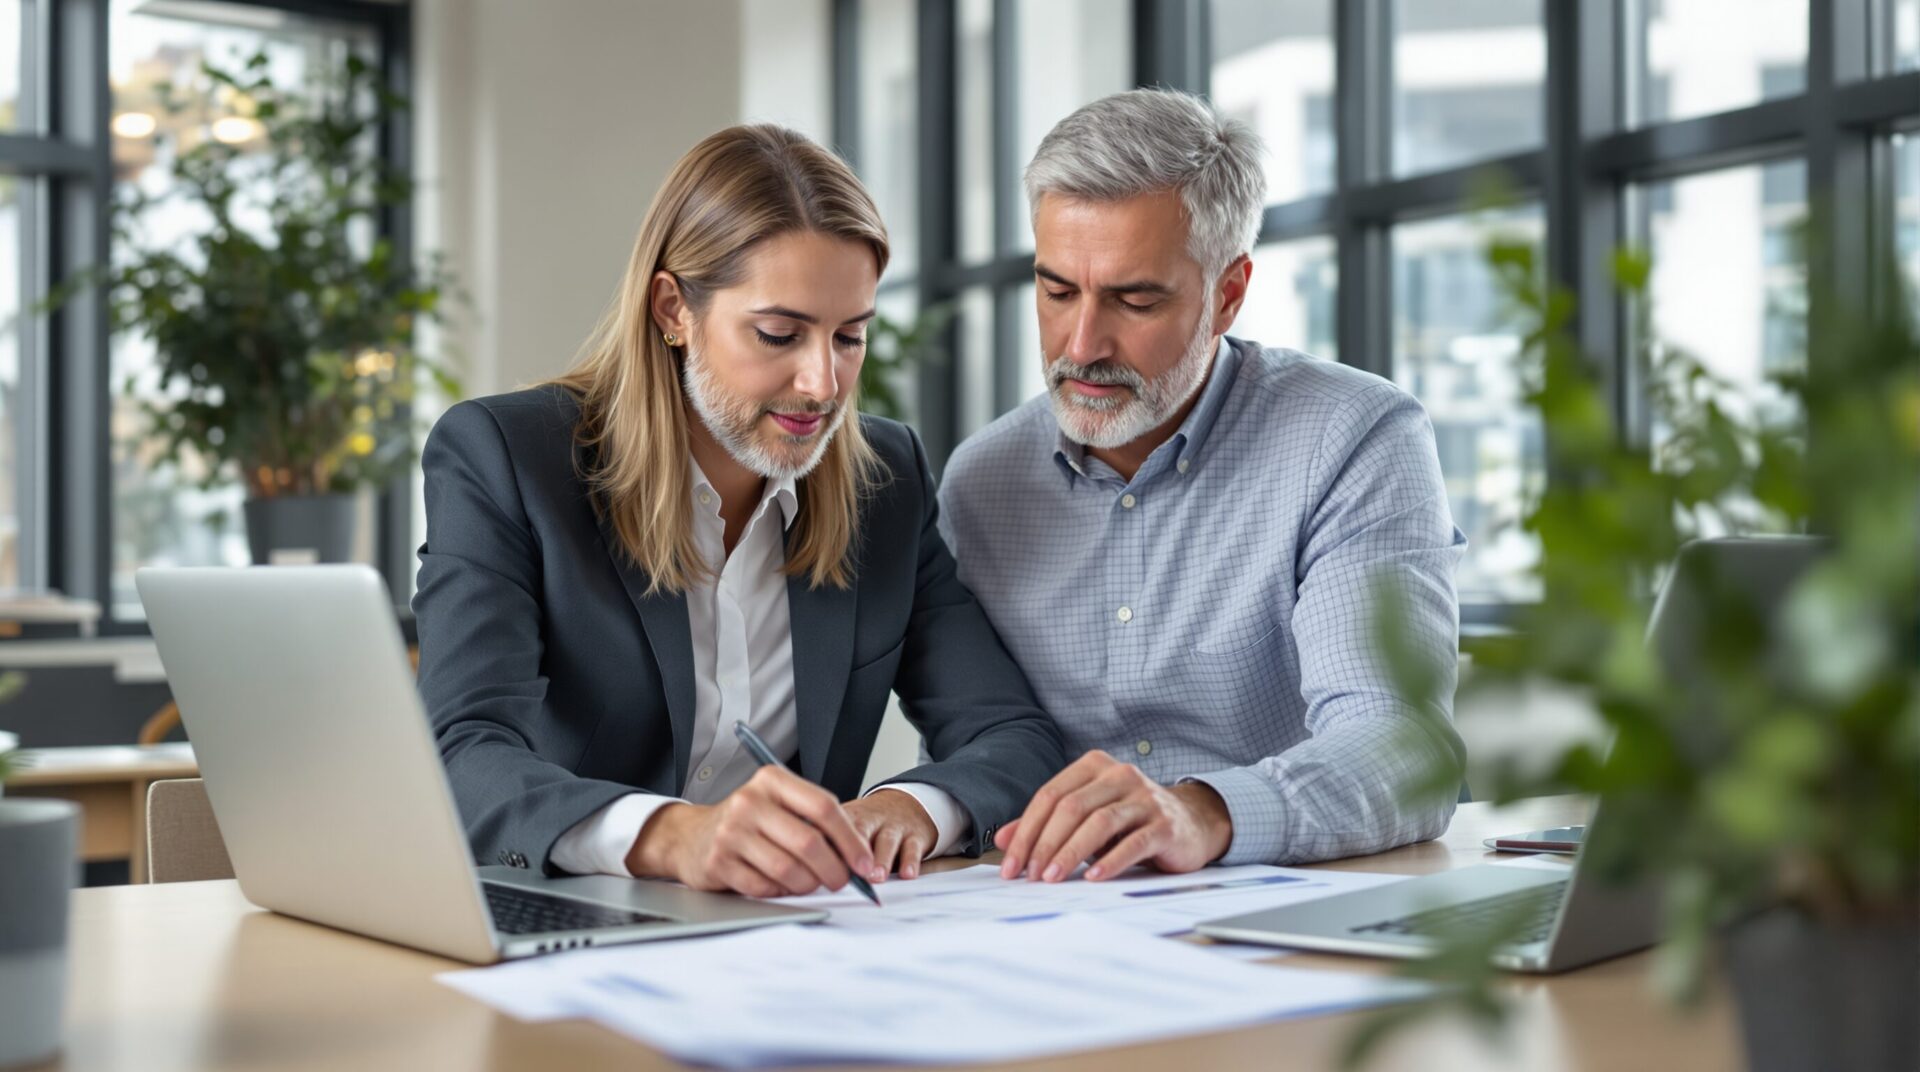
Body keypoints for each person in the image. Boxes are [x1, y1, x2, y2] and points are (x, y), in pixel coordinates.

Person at [413, 124, 1065, 899]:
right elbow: (459, 752)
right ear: (672, 310)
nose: (823, 383)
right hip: (573, 914)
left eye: (850, 337)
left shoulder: (885, 482)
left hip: (787, 941)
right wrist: (672, 835)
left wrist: (909, 808)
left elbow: (1012, 736)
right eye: (779, 334)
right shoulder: (508, 458)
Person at [937, 89, 1468, 883]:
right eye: (1056, 292)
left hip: (1274, 907)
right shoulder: (981, 481)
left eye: (1135, 298)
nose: (1082, 343)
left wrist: (1207, 810)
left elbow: (1404, 744)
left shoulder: (1352, 438)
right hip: (1037, 914)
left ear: (1228, 292)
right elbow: (976, 745)